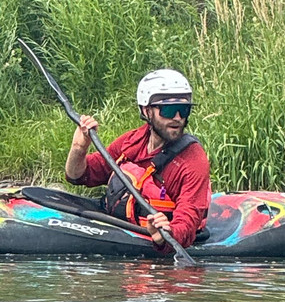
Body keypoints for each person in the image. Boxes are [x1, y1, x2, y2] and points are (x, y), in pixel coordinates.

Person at [65, 69, 211, 249]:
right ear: (146, 110)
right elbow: (79, 176)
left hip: (161, 239)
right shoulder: (133, 141)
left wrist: (165, 236)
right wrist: (79, 148)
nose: (178, 118)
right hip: (124, 225)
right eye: (169, 110)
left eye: (184, 110)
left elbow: (188, 221)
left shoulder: (194, 161)